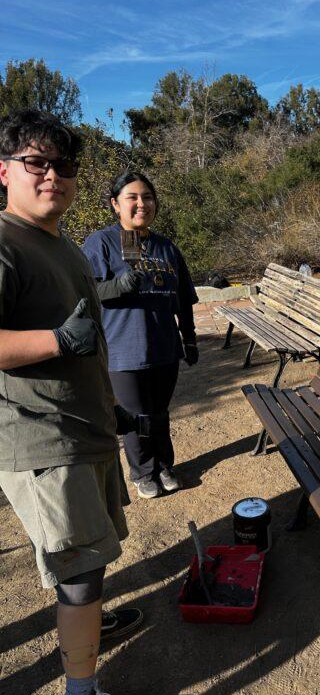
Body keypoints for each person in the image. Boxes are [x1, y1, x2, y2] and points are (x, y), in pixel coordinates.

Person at [0, 109, 155, 695]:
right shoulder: (5, 241)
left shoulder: (58, 242)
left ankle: (84, 630)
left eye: (63, 165)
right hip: (41, 437)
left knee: (88, 557)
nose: (52, 176)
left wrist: (107, 407)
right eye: (36, 163)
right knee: (78, 568)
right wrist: (57, 341)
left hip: (80, 427)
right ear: (3, 171)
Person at [82, 172, 199, 499]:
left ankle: (164, 465)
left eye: (147, 197)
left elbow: (184, 297)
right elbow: (82, 291)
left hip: (164, 347)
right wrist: (117, 286)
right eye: (132, 197)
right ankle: (143, 471)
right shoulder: (102, 243)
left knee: (160, 412)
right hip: (123, 352)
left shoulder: (166, 247)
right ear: (115, 204)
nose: (141, 203)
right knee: (136, 417)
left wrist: (188, 337)